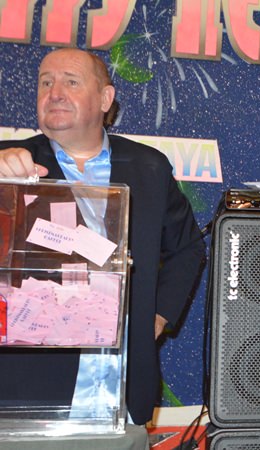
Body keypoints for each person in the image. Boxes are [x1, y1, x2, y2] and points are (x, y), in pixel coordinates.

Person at [0, 48, 205, 425]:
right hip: (26, 398)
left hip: (121, 396)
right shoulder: (10, 163)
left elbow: (188, 248)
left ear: (106, 99)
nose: (55, 93)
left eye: (70, 82)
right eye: (46, 82)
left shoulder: (148, 166)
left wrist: (156, 317)